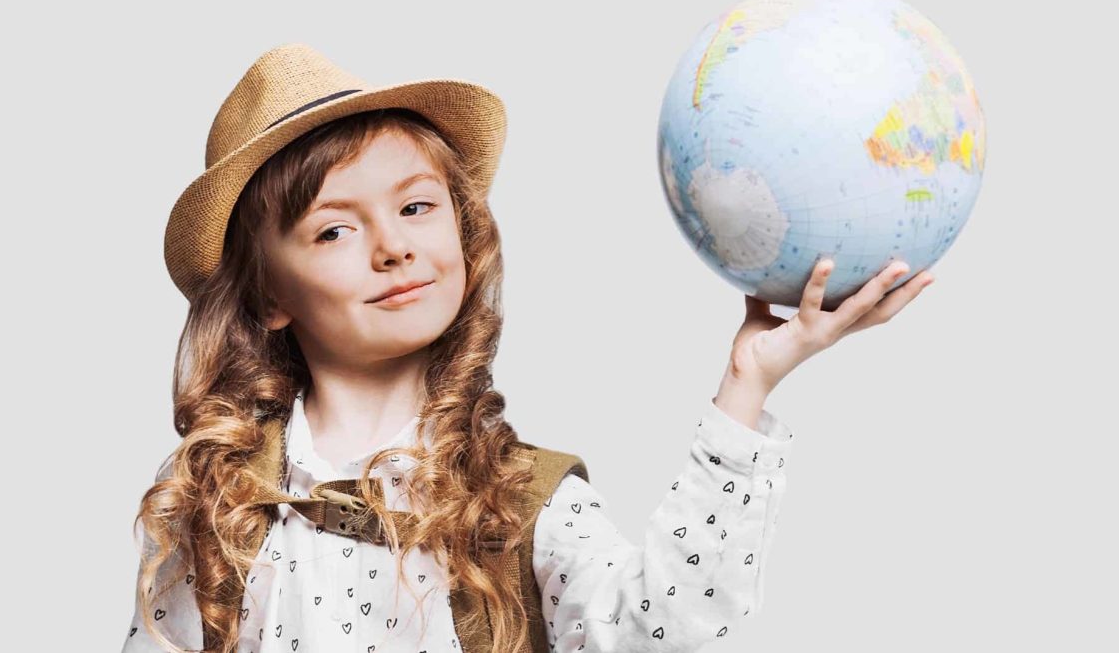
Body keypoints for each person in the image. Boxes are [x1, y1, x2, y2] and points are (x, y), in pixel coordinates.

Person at [122, 43, 934, 653]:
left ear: (464, 235)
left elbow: (666, 632)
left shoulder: (520, 502)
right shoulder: (215, 493)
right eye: (334, 227)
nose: (392, 247)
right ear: (269, 295)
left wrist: (748, 382)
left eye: (415, 208)